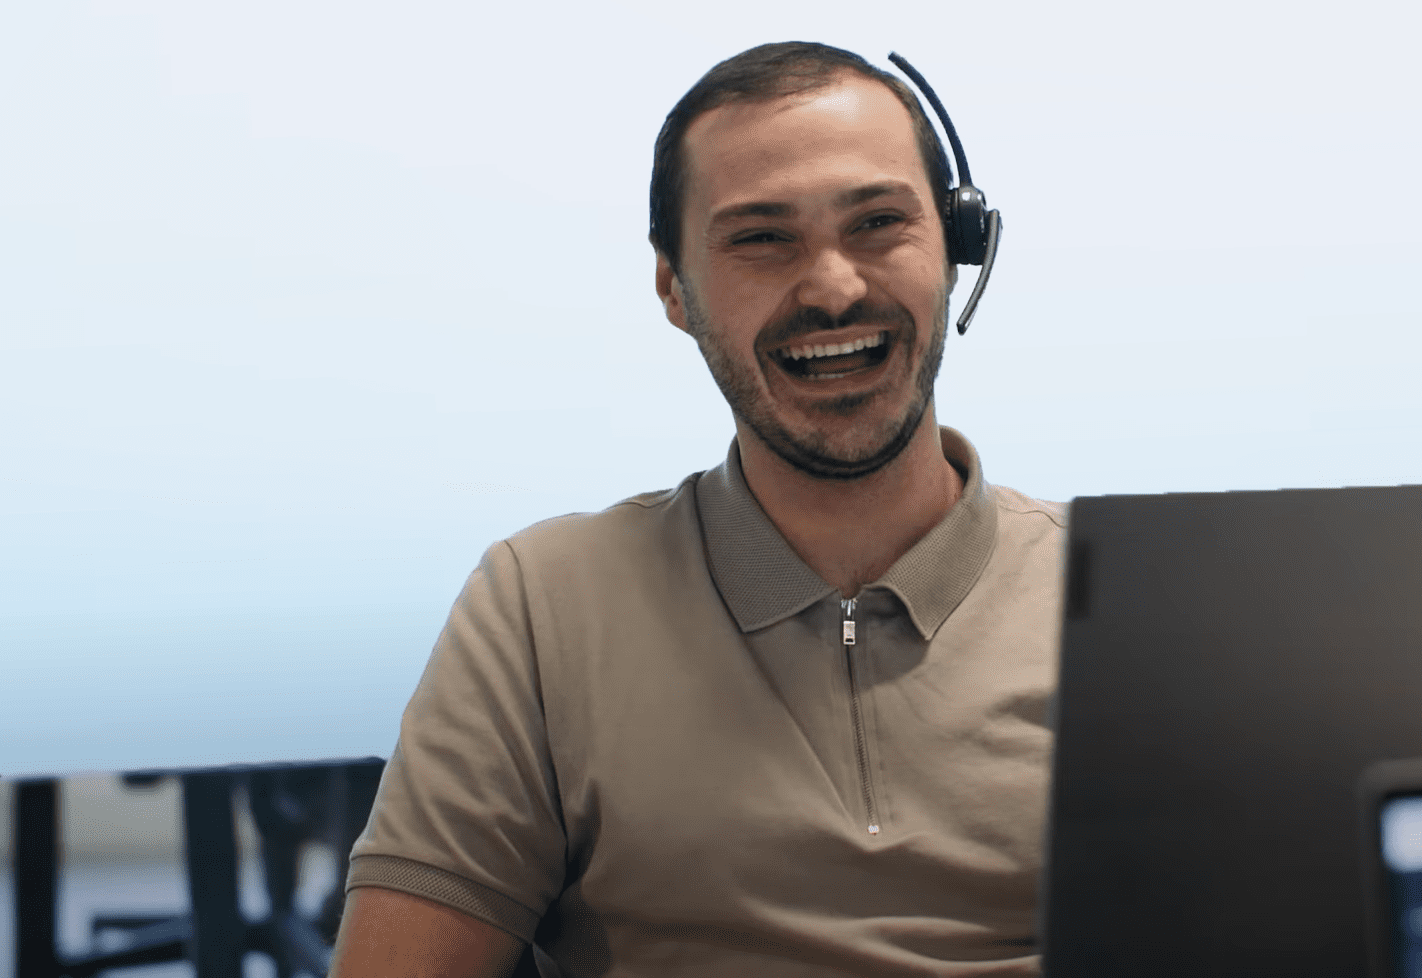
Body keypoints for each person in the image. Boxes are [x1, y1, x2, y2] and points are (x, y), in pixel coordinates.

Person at [329, 41, 1066, 978]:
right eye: (761, 237)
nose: (835, 286)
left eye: (879, 221)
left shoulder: (1129, 605)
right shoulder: (543, 605)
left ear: (958, 250)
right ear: (675, 287)